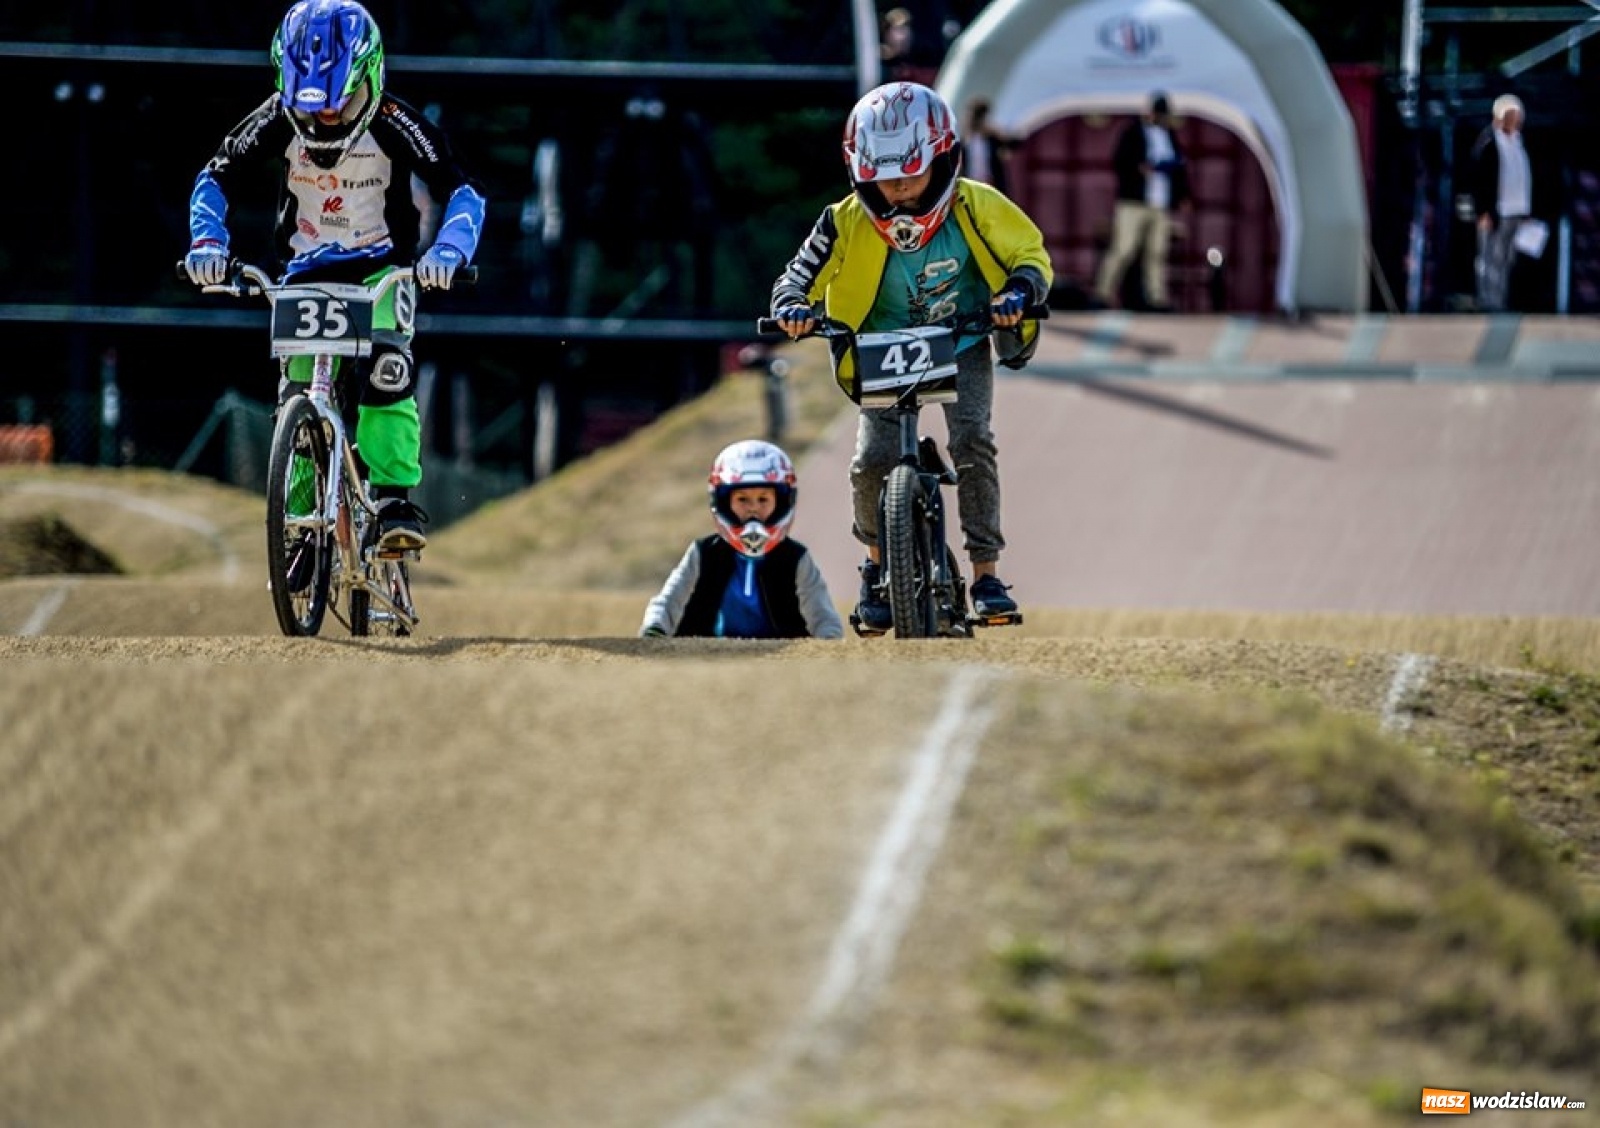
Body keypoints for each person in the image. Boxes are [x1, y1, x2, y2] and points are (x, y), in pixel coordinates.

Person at [182, 0, 486, 555]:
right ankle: (300, 525)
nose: (325, 118)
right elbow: (214, 178)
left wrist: (447, 250)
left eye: (340, 102)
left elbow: (463, 191)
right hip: (304, 270)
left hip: (382, 270)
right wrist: (208, 242)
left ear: (369, 78)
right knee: (296, 392)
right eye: (310, 104)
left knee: (388, 373)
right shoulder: (275, 118)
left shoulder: (396, 122)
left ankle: (395, 499)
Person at [769, 81, 1052, 633]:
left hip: (962, 338)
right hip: (881, 347)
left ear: (944, 161)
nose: (898, 192)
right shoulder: (844, 219)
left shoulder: (977, 203)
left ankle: (987, 573)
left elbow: (1030, 254)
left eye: (911, 175)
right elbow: (797, 276)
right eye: (883, 180)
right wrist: (790, 307)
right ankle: (875, 569)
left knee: (972, 439)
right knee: (870, 461)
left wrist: (1017, 293)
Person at [640, 439, 844, 639]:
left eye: (763, 499)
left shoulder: (795, 557)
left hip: (779, 662)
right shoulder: (703, 552)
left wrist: (828, 643)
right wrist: (655, 627)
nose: (753, 507)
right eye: (742, 499)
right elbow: (668, 601)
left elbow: (823, 616)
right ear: (722, 502)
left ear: (782, 502)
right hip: (708, 657)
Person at [1093, 91, 1191, 312]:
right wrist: (1139, 169)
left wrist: (1183, 194)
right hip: (1133, 202)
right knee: (1124, 249)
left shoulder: (1169, 136)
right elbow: (1120, 161)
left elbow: (1179, 168)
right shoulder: (1133, 133)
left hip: (1159, 204)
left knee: (1157, 252)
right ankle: (1102, 293)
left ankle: (1157, 298)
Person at [1470, 93, 1534, 313]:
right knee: (1490, 257)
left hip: (1516, 210)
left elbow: (1521, 176)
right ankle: (1487, 300)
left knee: (1506, 259)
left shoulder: (1518, 142)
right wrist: (1483, 211)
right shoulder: (1489, 141)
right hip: (1496, 211)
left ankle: (1500, 299)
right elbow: (1480, 179)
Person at [963, 98, 1015, 196]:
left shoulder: (992, 140)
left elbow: (1015, 144)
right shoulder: (964, 141)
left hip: (992, 186)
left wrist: (999, 133)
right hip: (970, 188)